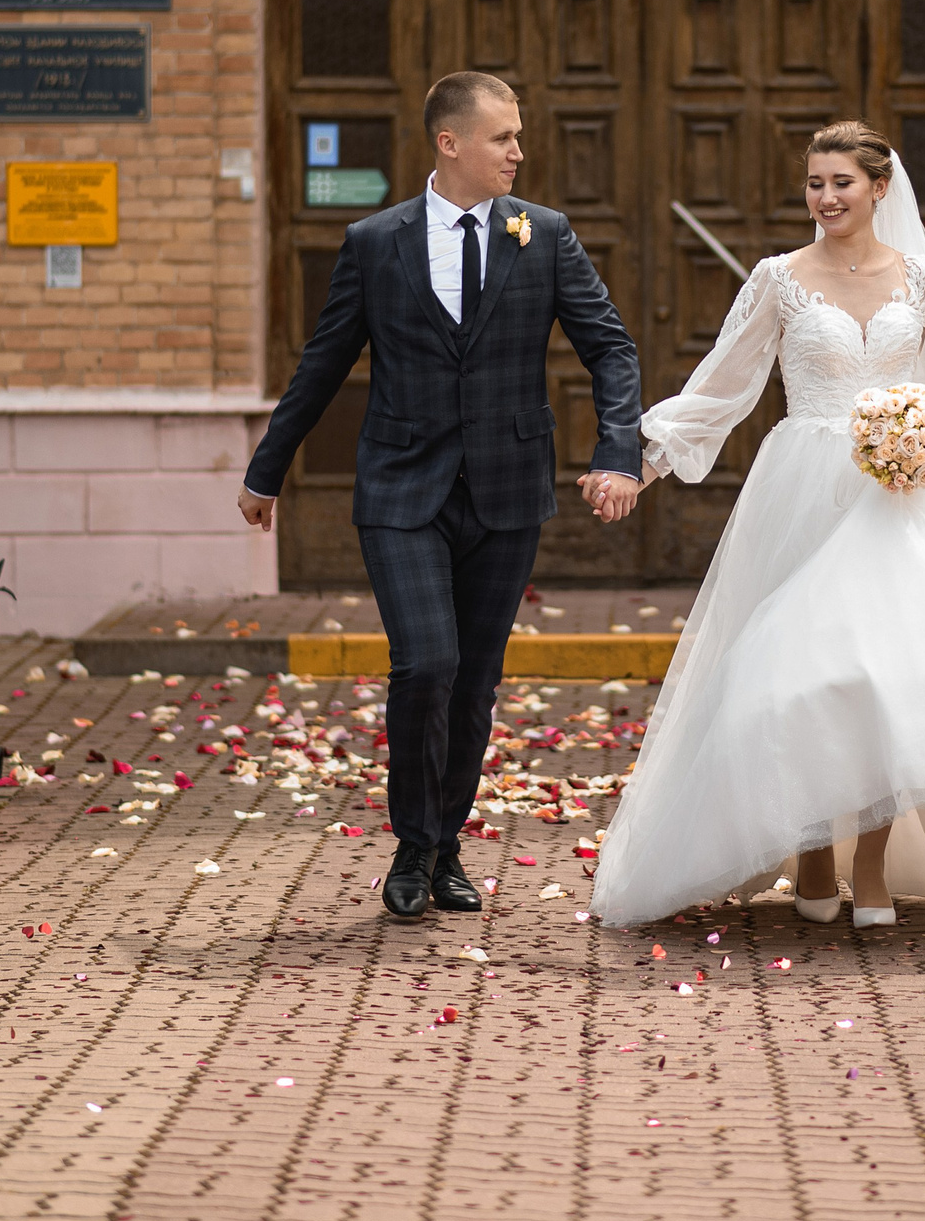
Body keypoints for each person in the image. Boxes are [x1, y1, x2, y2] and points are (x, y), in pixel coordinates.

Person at [590, 122, 925, 929]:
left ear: (878, 190)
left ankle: (868, 862)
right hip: (802, 492)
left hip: (899, 501)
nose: (826, 199)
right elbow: (724, 386)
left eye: (842, 184)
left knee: (888, 682)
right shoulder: (777, 279)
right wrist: (639, 463)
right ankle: (811, 855)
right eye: (815, 185)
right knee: (796, 679)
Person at [238, 72, 645, 919]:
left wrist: (619, 452)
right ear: (450, 143)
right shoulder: (375, 241)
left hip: (506, 490)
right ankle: (413, 840)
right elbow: (324, 363)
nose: (519, 152)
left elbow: (611, 349)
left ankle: (444, 844)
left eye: (518, 136)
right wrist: (266, 469)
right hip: (400, 487)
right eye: (503, 137)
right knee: (426, 662)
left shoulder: (547, 236)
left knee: (474, 681)